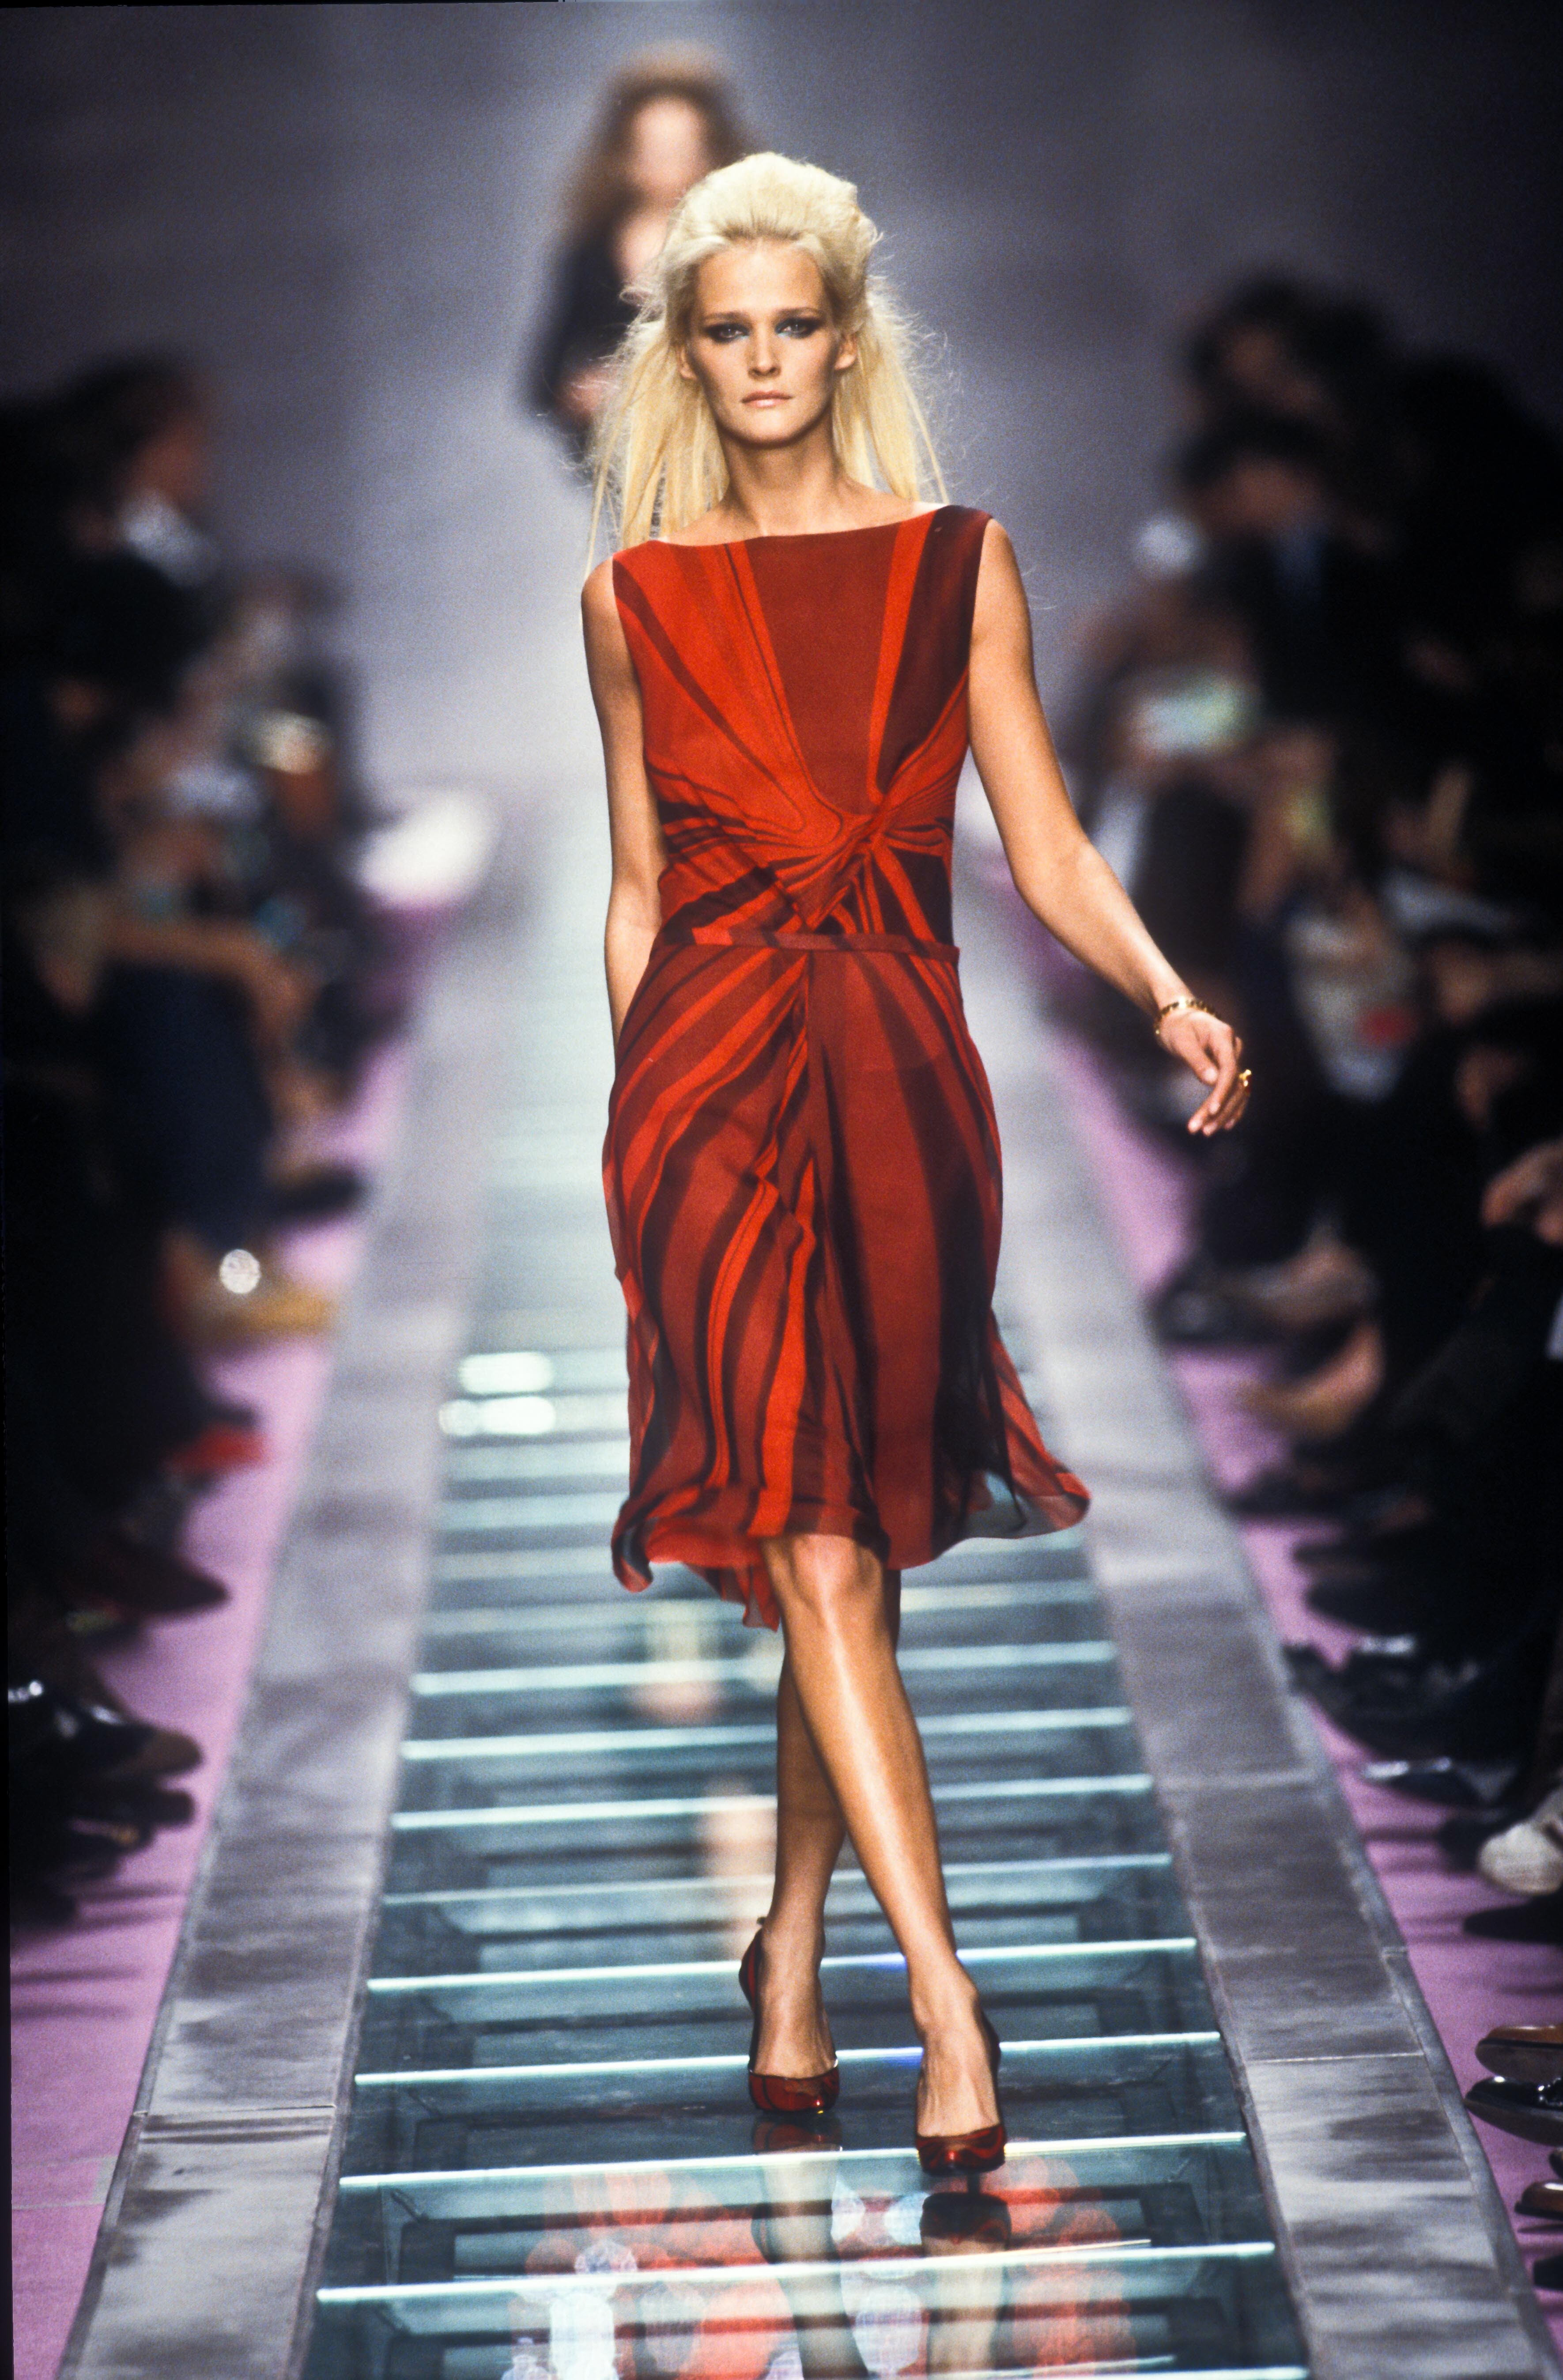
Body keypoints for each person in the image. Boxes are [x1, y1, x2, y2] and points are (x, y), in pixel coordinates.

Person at [580, 153, 1250, 2172]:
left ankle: (788, 1948)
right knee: (804, 1549)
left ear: (845, 336)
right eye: (727, 331)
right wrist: (633, 1120)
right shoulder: (630, 595)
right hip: (703, 1090)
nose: (763, 359)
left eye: (793, 324)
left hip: (897, 1086)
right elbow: (637, 890)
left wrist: (1164, 989)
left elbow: (1039, 842)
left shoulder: (959, 561)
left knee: (847, 1549)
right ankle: (945, 2006)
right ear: (684, 356)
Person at [527, 51, 749, 448]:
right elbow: (542, 380)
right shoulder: (589, 257)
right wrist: (584, 392)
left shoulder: (744, 252)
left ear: (714, 156)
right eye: (654, 150)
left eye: (683, 150)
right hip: (621, 458)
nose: (668, 165)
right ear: (623, 158)